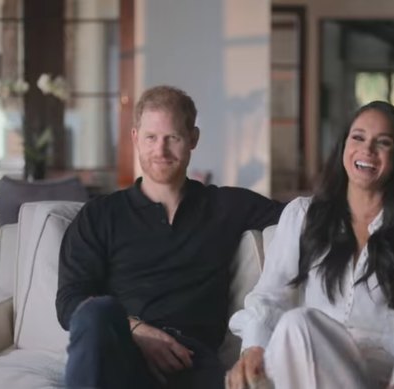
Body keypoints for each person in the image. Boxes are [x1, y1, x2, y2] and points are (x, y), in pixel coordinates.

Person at [56, 85, 284, 389]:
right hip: (123, 353)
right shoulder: (100, 215)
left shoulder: (226, 207)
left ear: (193, 139)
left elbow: (310, 215)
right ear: (136, 138)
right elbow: (70, 302)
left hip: (191, 362)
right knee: (97, 312)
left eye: (172, 138)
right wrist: (138, 331)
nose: (160, 151)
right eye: (151, 138)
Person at [226, 101, 394, 389]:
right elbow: (271, 297)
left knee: (297, 324)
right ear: (343, 146)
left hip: (381, 370)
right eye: (358, 137)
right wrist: (254, 348)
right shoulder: (302, 216)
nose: (367, 150)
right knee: (294, 327)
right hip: (308, 358)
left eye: (382, 143)